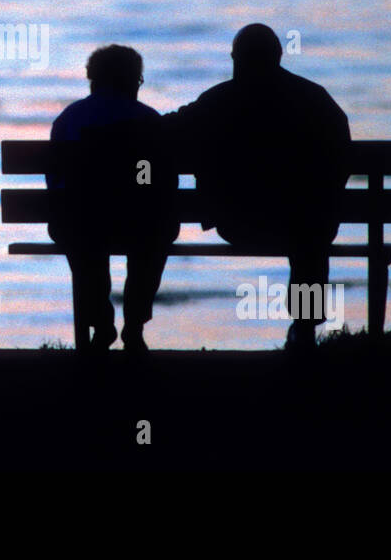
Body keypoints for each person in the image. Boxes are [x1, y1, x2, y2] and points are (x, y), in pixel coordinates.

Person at [164, 24, 350, 350]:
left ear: (236, 60)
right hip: (303, 224)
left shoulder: (218, 101)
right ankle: (305, 326)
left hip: (237, 223)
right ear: (279, 57)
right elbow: (342, 160)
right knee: (312, 228)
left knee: (310, 223)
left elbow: (170, 133)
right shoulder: (315, 99)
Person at [47, 45, 177, 352]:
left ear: (93, 79)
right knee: (156, 230)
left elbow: (56, 182)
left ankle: (101, 324)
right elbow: (160, 183)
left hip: (82, 225)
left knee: (80, 232)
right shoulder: (150, 121)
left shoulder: (68, 120)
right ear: (133, 81)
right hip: (138, 225)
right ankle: (134, 325)